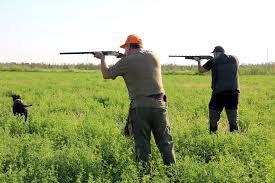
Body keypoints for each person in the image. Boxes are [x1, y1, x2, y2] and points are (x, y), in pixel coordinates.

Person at [94, 34, 176, 165]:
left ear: (129, 46)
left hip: (140, 107)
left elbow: (106, 74)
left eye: (125, 47)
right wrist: (126, 56)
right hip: (160, 105)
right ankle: (172, 173)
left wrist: (102, 59)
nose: (124, 50)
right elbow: (139, 59)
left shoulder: (126, 61)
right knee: (165, 143)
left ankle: (144, 175)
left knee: (142, 145)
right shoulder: (154, 55)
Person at [195, 46, 240, 133]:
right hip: (234, 94)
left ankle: (213, 135)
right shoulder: (235, 58)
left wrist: (198, 61)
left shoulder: (213, 60)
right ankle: (235, 136)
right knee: (233, 119)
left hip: (219, 94)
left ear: (215, 53)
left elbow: (201, 71)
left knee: (213, 117)